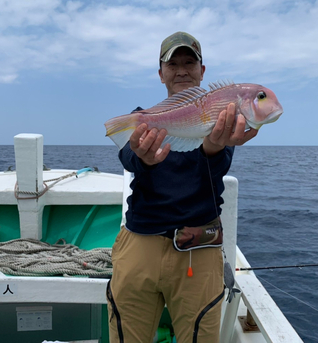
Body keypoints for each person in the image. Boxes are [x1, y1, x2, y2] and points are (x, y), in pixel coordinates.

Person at [106, 31, 258, 343]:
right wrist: (142, 156)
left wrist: (215, 146)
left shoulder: (220, 117)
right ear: (160, 72)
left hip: (197, 250)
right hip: (140, 245)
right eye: (172, 63)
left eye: (190, 62)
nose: (181, 69)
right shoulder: (144, 117)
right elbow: (128, 158)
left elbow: (216, 162)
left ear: (203, 71)